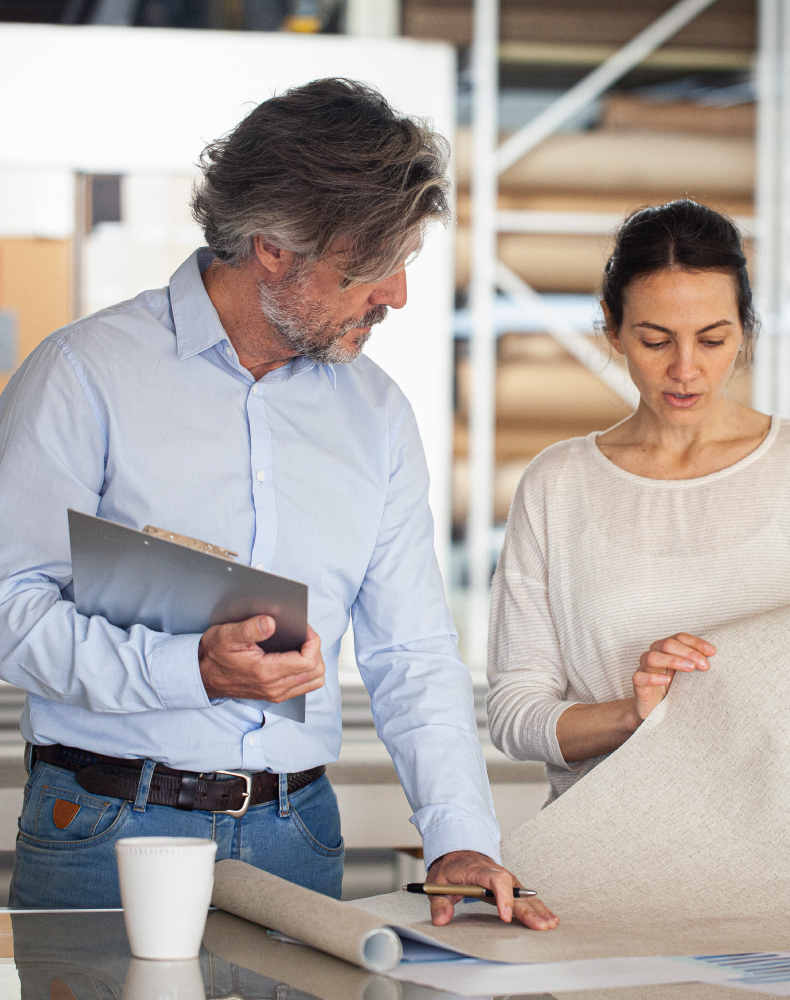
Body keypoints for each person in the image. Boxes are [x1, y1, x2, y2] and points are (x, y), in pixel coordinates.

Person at [0, 78, 556, 930]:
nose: (397, 296)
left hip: (297, 833)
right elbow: (12, 613)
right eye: (370, 269)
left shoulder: (377, 415)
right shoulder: (83, 375)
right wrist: (190, 669)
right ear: (271, 247)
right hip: (109, 828)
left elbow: (411, 651)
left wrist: (460, 838)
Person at [487, 199, 790, 804]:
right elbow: (514, 712)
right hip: (608, 843)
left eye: (713, 340)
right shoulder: (557, 485)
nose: (686, 370)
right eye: (656, 341)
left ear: (746, 326)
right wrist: (634, 715)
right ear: (612, 327)